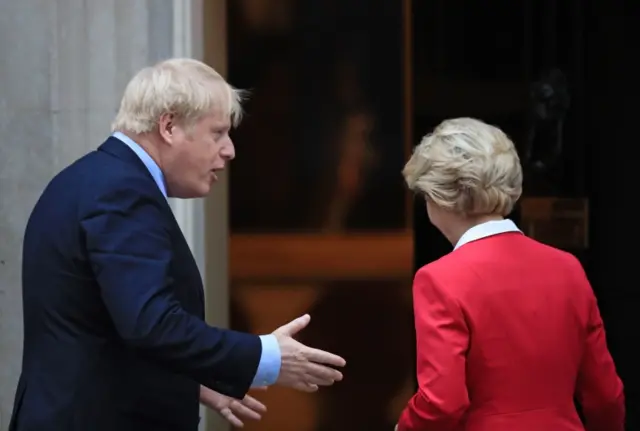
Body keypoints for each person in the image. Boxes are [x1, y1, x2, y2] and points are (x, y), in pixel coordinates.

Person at [9, 58, 346, 431]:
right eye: (217, 133)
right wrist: (266, 355)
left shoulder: (94, 178)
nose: (230, 150)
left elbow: (107, 324)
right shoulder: (121, 192)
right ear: (168, 126)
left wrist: (195, 382)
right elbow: (151, 323)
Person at [395, 118, 624, 431]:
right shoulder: (567, 268)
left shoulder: (440, 278)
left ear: (438, 196)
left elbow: (441, 403)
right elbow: (606, 396)